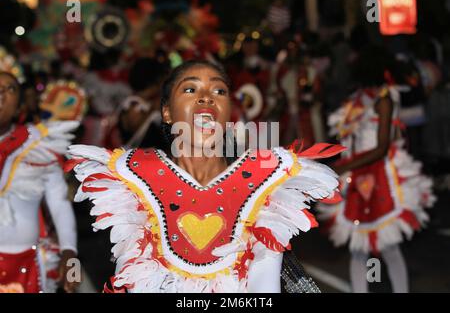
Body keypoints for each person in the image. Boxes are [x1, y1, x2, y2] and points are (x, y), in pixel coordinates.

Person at [67, 60, 343, 293]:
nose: (206, 97)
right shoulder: (135, 176)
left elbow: (263, 288)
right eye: (190, 88)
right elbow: (132, 278)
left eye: (219, 90)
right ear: (166, 112)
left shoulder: (264, 178)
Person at [318, 46, 436, 293]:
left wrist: (345, 166)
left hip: (380, 175)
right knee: (358, 248)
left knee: (389, 246)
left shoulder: (384, 99)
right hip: (358, 176)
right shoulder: (357, 101)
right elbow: (348, 139)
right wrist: (344, 166)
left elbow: (382, 147)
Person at [0, 53, 79, 293]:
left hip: (27, 268)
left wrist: (69, 252)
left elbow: (59, 203)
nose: (1, 93)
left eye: (10, 89)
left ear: (20, 106)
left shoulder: (40, 145)